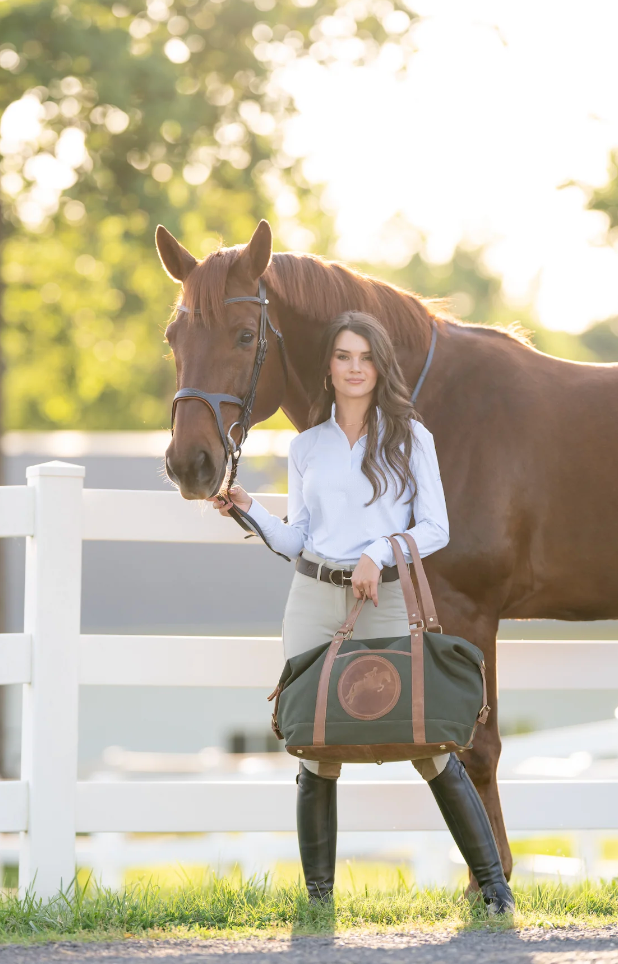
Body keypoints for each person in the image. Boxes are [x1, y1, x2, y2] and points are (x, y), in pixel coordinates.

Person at [209, 310, 513, 915]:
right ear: (329, 365)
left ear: (380, 367)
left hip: (387, 595)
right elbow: (299, 538)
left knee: (428, 745)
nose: (354, 368)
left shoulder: (410, 436)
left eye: (365, 358)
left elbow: (436, 528)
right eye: (343, 356)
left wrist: (378, 554)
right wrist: (250, 509)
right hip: (314, 600)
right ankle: (318, 903)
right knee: (316, 746)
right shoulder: (307, 445)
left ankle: (496, 891)